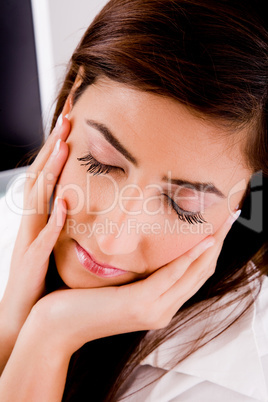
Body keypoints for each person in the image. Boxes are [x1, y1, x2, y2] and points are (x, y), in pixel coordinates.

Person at [0, 0, 267, 400]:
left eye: (184, 206)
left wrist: (51, 334)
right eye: (100, 162)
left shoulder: (233, 382)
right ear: (73, 96)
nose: (112, 240)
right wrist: (14, 324)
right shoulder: (20, 205)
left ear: (248, 198)